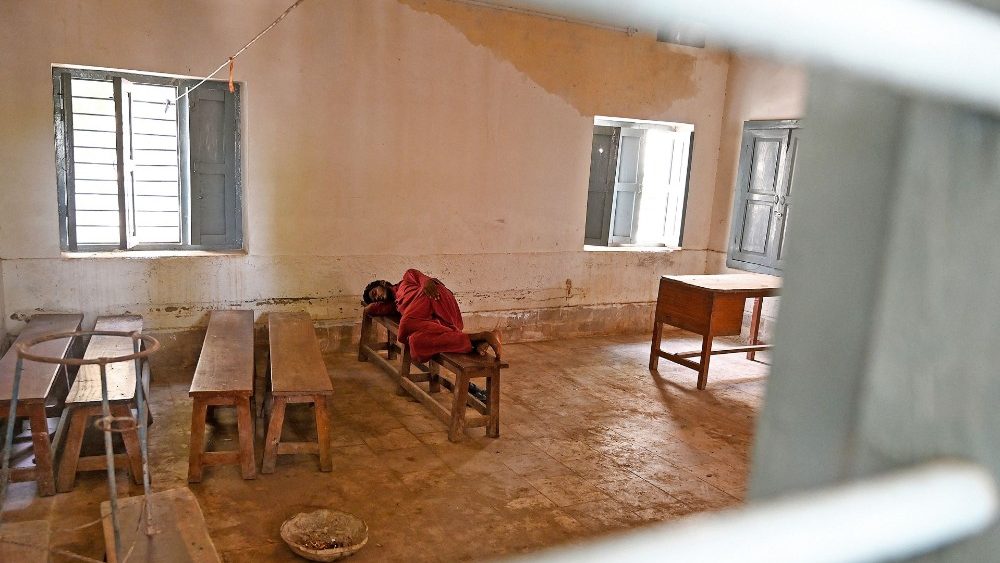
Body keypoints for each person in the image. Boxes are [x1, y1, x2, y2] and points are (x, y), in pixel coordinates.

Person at [362, 269, 502, 364]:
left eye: (375, 293)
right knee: (415, 343)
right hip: (438, 321)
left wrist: (428, 282)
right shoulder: (396, 305)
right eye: (375, 299)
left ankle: (476, 340)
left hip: (435, 297)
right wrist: (371, 305)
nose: (377, 298)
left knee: (404, 326)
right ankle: (478, 338)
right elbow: (374, 309)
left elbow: (424, 279)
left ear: (383, 284)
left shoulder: (406, 279)